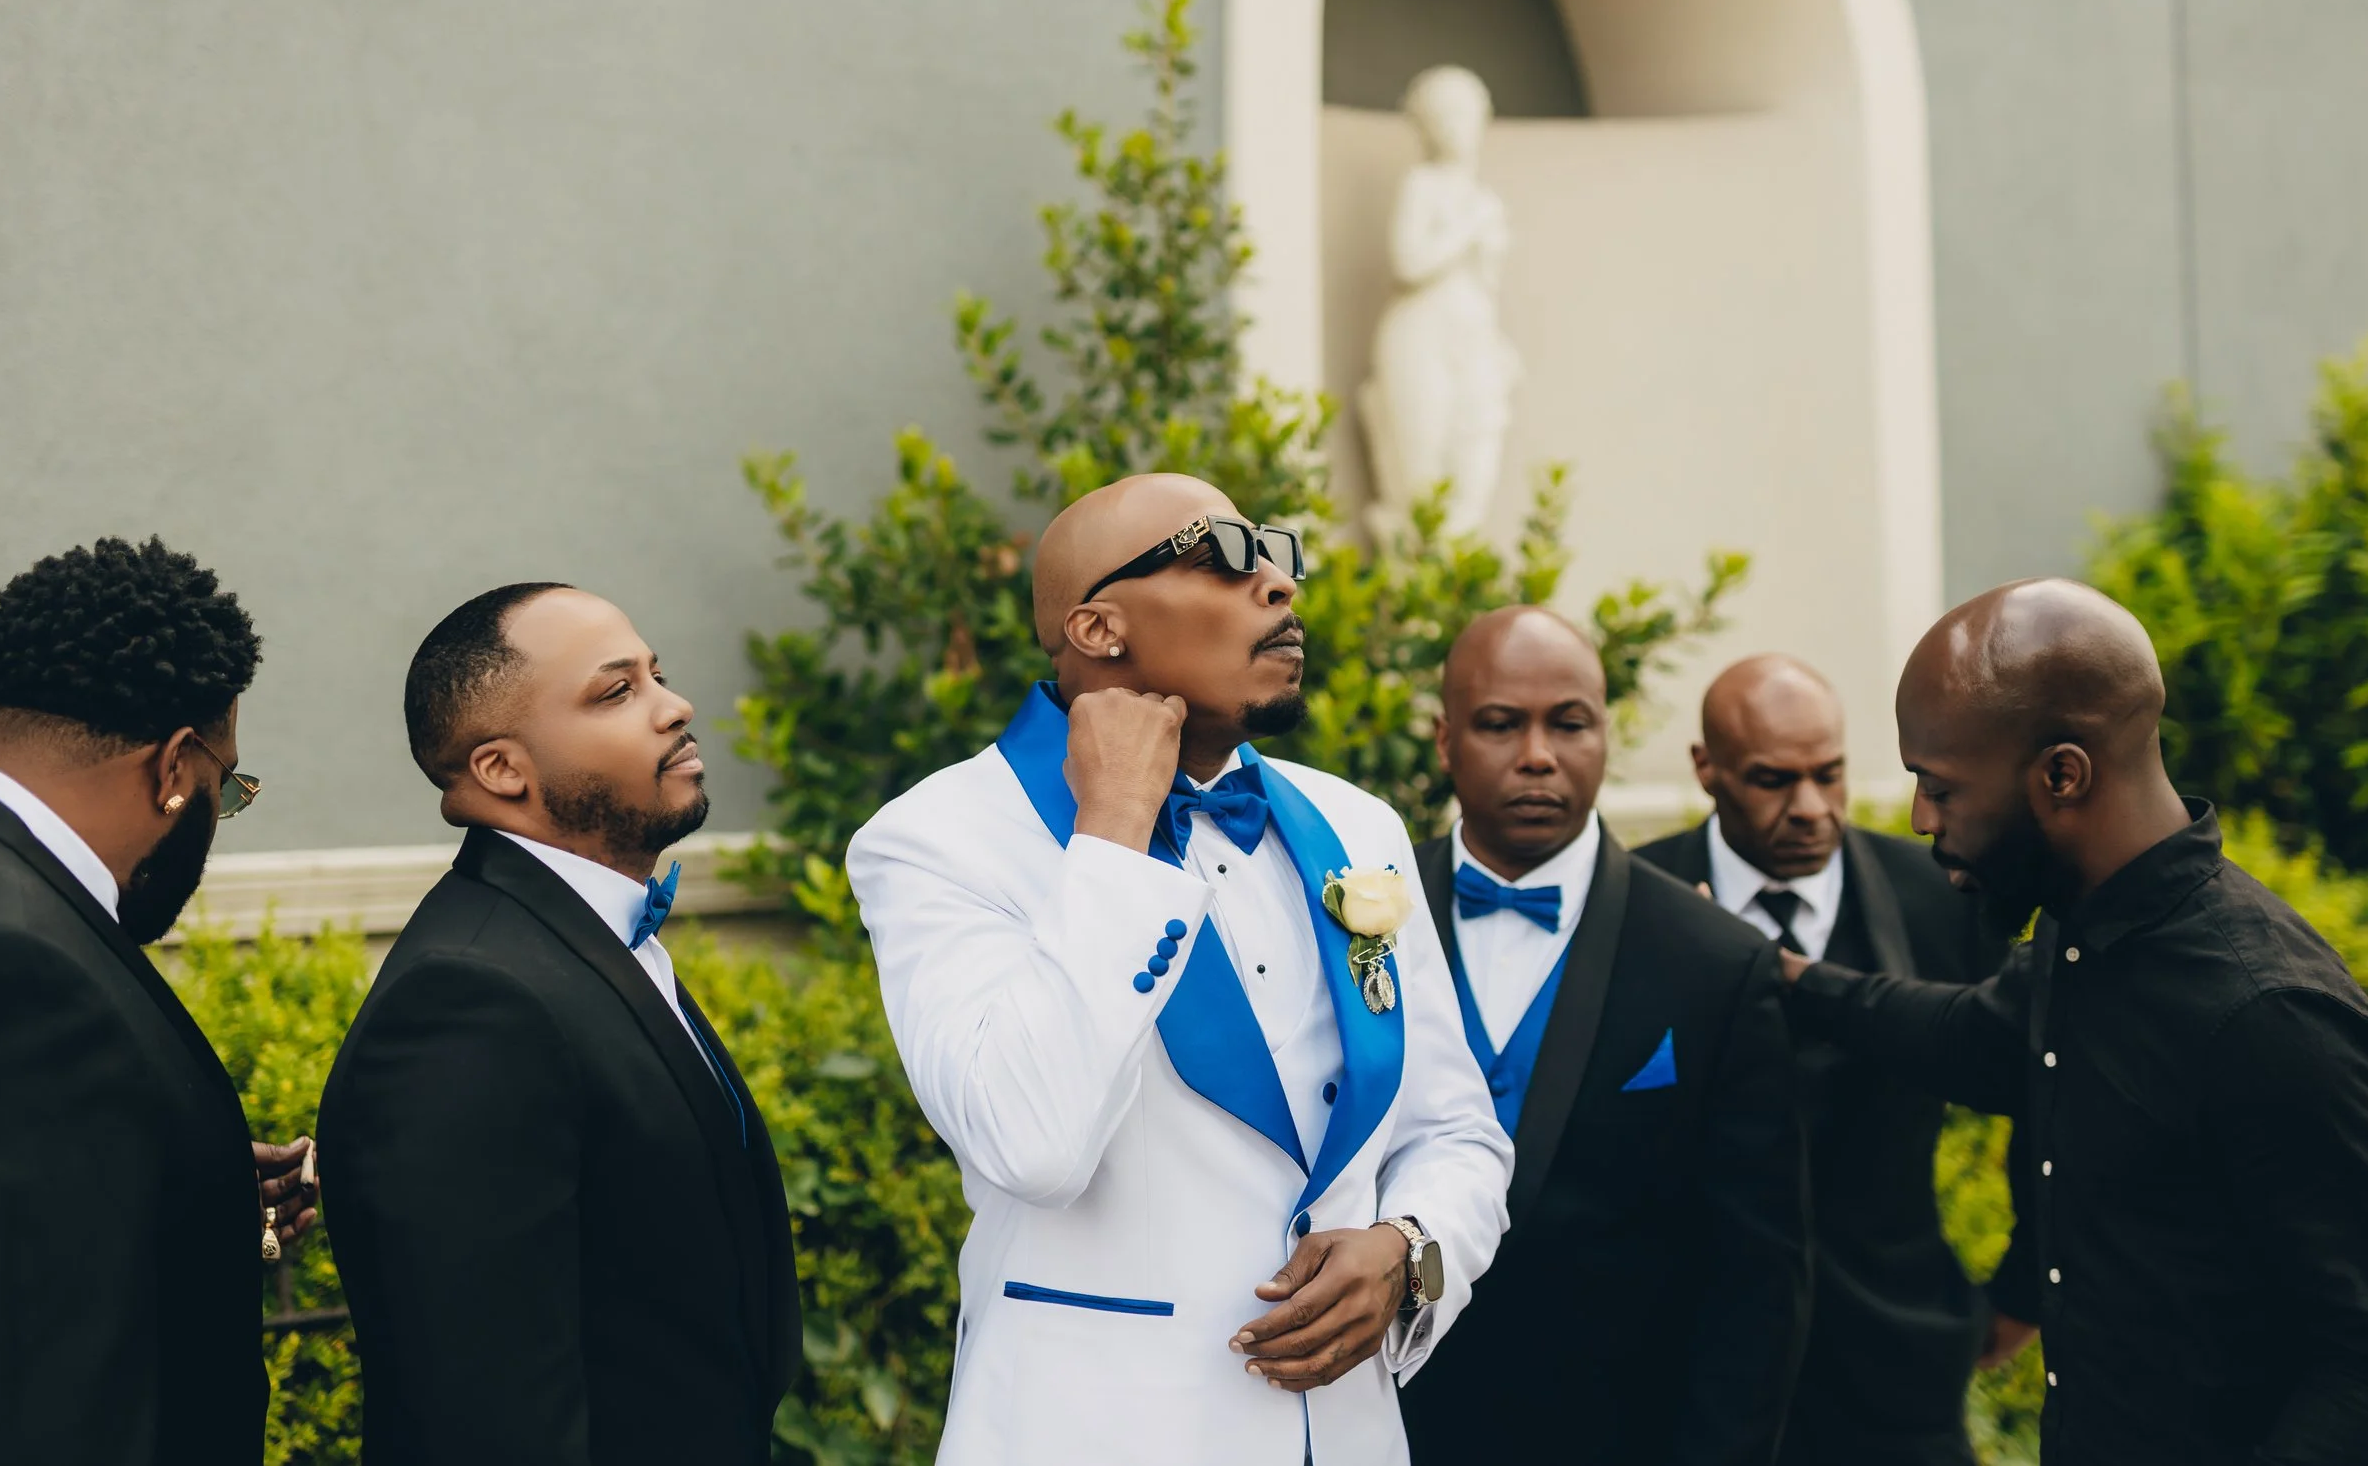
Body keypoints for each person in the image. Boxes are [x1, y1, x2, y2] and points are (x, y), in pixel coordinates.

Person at [848, 473, 1512, 1466]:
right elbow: (1030, 1144)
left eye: (1276, 554)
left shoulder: (1357, 826)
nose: (1278, 585)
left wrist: (1409, 1253)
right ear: (1096, 626)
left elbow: (1455, 1129)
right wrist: (1113, 831)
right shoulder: (938, 839)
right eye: (1223, 557)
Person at [1781, 578, 2368, 1463]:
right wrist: (1786, 979)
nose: (1922, 818)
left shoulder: (2266, 1015)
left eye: (1939, 786)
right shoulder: (2079, 928)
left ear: (2062, 775)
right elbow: (1978, 1037)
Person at [319, 583, 799, 1464]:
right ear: (502, 769)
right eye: (617, 691)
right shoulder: (466, 1002)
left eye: (657, 675)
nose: (675, 707)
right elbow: (481, 1411)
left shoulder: (582, 936)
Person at [0, 536, 317, 1464]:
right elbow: (17, 1396)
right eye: (227, 785)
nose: (220, 811)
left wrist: (180, 1183)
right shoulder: (17, 970)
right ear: (176, 768)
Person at [1398, 606, 1809, 1464]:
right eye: (1500, 723)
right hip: (1387, 1428)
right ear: (1444, 739)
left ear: (1605, 735)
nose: (1538, 754)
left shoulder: (1715, 961)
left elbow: (1757, 1278)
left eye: (1569, 722)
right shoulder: (1360, 918)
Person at [1637, 654, 2032, 1466]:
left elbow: (2038, 1080)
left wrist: (2025, 1287)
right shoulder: (1640, 902)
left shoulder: (1944, 894)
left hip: (1900, 1365)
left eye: (1829, 774)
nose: (1811, 808)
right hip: (1689, 1370)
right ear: (1707, 769)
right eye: (1773, 780)